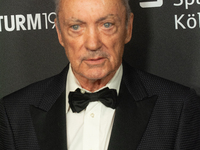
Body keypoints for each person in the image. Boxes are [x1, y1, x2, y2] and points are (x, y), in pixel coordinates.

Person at [0, 0, 200, 149]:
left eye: (106, 25)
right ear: (60, 33)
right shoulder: (14, 114)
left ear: (128, 28)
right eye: (76, 27)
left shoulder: (177, 108)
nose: (93, 44)